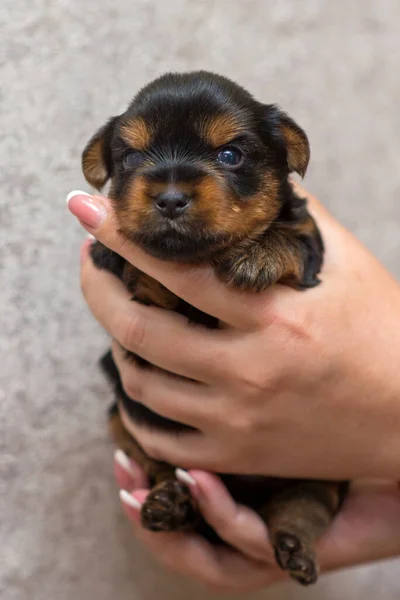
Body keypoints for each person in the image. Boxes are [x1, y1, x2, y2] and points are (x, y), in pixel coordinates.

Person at [67, 184, 400, 592]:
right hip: (184, 440)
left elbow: (302, 251)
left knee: (311, 497)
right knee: (131, 430)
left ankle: (292, 523)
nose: (173, 192)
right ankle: (174, 491)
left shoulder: (284, 220)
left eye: (230, 154)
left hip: (315, 467)